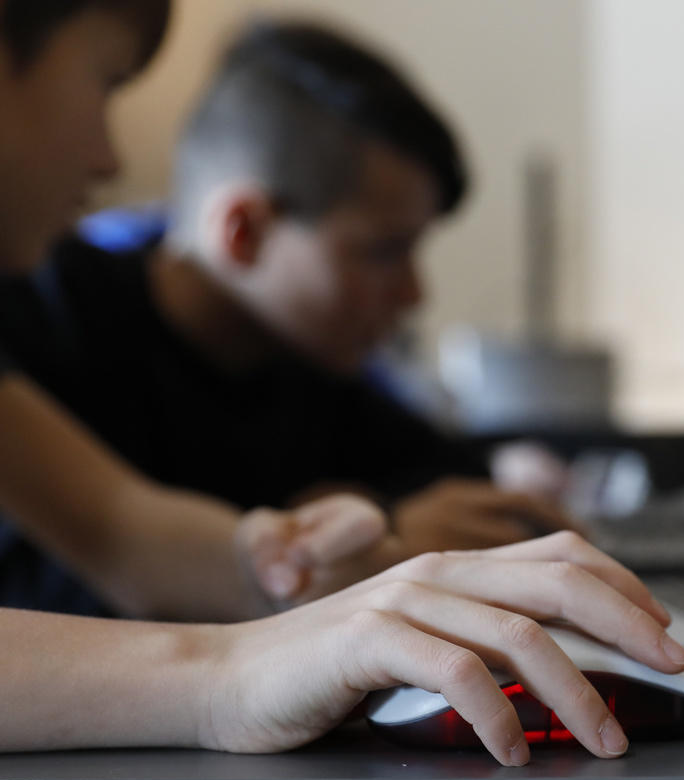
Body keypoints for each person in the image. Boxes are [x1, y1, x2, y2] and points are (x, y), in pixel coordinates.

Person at [0, 0, 684, 764]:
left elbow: (126, 531)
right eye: (105, 81)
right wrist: (247, 661)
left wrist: (339, 551)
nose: (110, 160)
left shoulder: (309, 368)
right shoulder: (43, 313)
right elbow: (95, 568)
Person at [0, 21, 578, 617]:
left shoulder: (307, 362)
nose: (413, 294)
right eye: (383, 251)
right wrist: (379, 539)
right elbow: (64, 598)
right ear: (244, 231)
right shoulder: (42, 315)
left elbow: (442, 472)